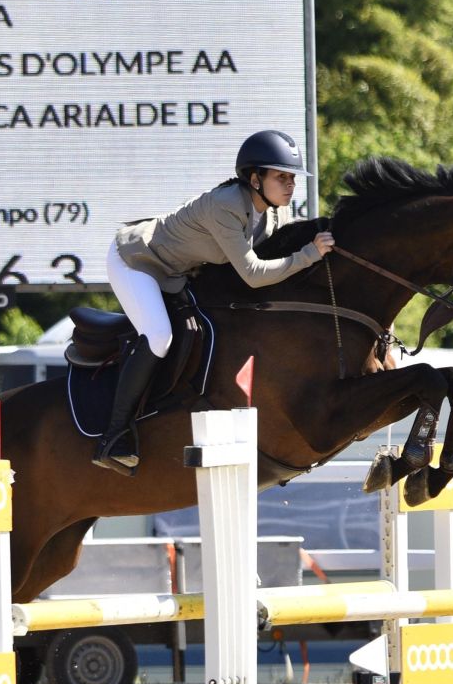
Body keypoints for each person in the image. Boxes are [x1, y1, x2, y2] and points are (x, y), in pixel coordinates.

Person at [93, 130, 336, 474]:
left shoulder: (273, 210)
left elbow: (288, 237)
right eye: (281, 176)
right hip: (137, 261)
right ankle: (113, 436)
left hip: (177, 272)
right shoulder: (226, 206)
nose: (290, 185)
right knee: (160, 336)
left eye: (292, 177)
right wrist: (310, 254)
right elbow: (253, 273)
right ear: (255, 179)